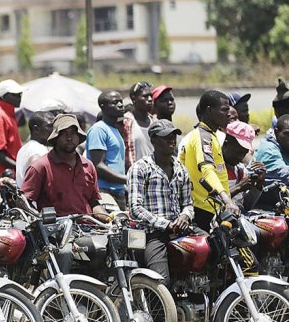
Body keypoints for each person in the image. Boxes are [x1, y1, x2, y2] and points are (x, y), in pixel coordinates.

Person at [126, 120, 194, 282]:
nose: (172, 140)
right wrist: (166, 224)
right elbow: (135, 209)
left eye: (173, 136)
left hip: (180, 230)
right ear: (154, 140)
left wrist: (185, 216)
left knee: (213, 249)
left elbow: (188, 204)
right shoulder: (140, 168)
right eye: (166, 137)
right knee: (161, 281)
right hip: (153, 233)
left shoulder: (181, 168)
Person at [22, 113, 107, 219]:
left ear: (78, 136)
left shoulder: (88, 166)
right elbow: (24, 203)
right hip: (56, 232)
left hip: (88, 229)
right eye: (64, 133)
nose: (69, 138)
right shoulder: (40, 166)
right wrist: (42, 219)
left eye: (73, 133)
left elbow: (93, 202)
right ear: (56, 138)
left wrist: (109, 219)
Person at [178, 90, 238, 230]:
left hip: (214, 207)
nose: (228, 114)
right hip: (203, 209)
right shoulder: (202, 137)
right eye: (224, 110)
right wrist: (227, 199)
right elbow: (207, 170)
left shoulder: (211, 135)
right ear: (209, 111)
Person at [87, 91, 128, 209]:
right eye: (115, 102)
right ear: (102, 106)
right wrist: (127, 179)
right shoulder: (99, 130)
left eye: (121, 101)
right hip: (104, 191)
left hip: (118, 190)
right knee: (111, 225)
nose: (120, 105)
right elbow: (98, 166)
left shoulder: (114, 129)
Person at [224, 120, 264, 209]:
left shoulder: (239, 170)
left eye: (244, 153)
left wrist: (258, 185)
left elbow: (245, 206)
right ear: (226, 143)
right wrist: (239, 187)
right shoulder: (212, 167)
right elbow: (211, 203)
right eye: (237, 152)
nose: (240, 157)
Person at [0, 79, 25, 175]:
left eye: (20, 94)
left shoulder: (8, 115)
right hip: (6, 176)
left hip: (14, 173)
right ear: (3, 97)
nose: (19, 97)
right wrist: (17, 166)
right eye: (15, 94)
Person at [15, 111, 55, 188]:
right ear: (36, 129)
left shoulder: (24, 149)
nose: (54, 130)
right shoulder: (39, 151)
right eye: (50, 126)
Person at [253, 114, 289, 186]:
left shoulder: (284, 146)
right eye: (287, 134)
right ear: (276, 132)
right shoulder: (268, 148)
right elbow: (282, 173)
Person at [126, 81, 154, 161]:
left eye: (151, 96)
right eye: (145, 96)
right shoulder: (125, 123)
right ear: (133, 98)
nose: (150, 99)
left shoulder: (155, 123)